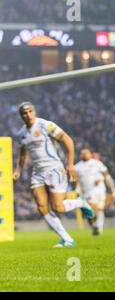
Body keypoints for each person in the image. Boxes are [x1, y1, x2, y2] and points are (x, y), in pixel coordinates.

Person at [13, 102, 95, 247]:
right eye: (25, 113)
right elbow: (22, 154)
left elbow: (67, 140)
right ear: (21, 116)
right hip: (38, 173)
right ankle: (67, 239)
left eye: (30, 111)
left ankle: (80, 202)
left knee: (57, 207)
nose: (28, 115)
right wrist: (18, 170)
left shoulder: (46, 125)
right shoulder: (21, 134)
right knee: (41, 206)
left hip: (54, 169)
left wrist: (70, 164)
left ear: (34, 111)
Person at [74, 148, 115, 236]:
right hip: (87, 191)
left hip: (99, 190)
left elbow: (106, 175)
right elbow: (76, 180)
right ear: (80, 155)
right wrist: (77, 189)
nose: (84, 155)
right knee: (92, 209)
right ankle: (94, 226)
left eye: (86, 153)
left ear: (90, 154)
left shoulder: (97, 163)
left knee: (100, 208)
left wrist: (113, 190)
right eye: (82, 154)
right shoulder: (77, 167)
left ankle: (98, 228)